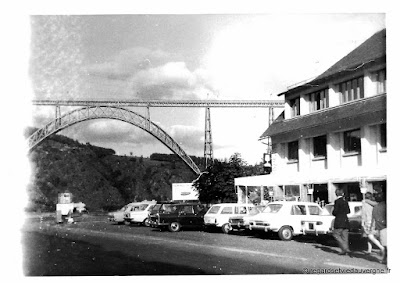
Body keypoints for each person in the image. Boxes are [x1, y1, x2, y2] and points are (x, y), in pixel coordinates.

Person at [332, 188, 351, 255]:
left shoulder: (337, 201)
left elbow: (335, 212)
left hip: (339, 220)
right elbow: (348, 211)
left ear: (336, 194)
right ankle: (345, 250)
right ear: (342, 193)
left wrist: (334, 212)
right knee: (345, 235)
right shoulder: (345, 201)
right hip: (345, 220)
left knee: (336, 234)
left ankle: (344, 248)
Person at [372, 192, 387, 264]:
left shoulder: (375, 208)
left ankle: (385, 259)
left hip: (382, 228)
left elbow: (374, 219)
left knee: (385, 245)